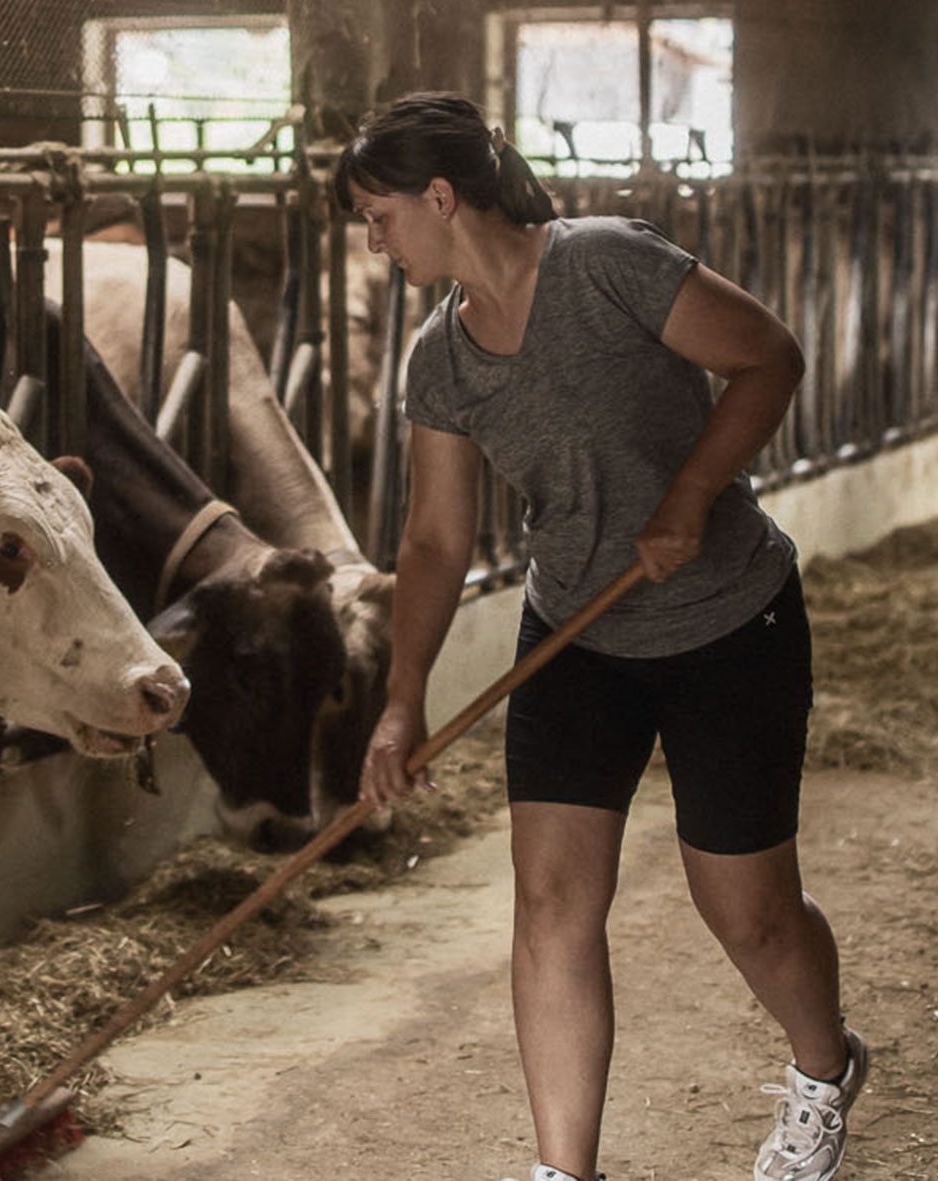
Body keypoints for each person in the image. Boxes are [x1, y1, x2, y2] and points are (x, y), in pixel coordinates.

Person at [343, 93, 865, 1181]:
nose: (375, 241)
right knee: (551, 899)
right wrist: (402, 697)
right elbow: (434, 541)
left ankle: (824, 1067)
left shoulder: (606, 263)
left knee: (749, 912)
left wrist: (692, 493)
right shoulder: (439, 361)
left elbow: (769, 356)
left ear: (439, 196)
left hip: (728, 618)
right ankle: (563, 1169)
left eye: (379, 216)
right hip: (574, 637)